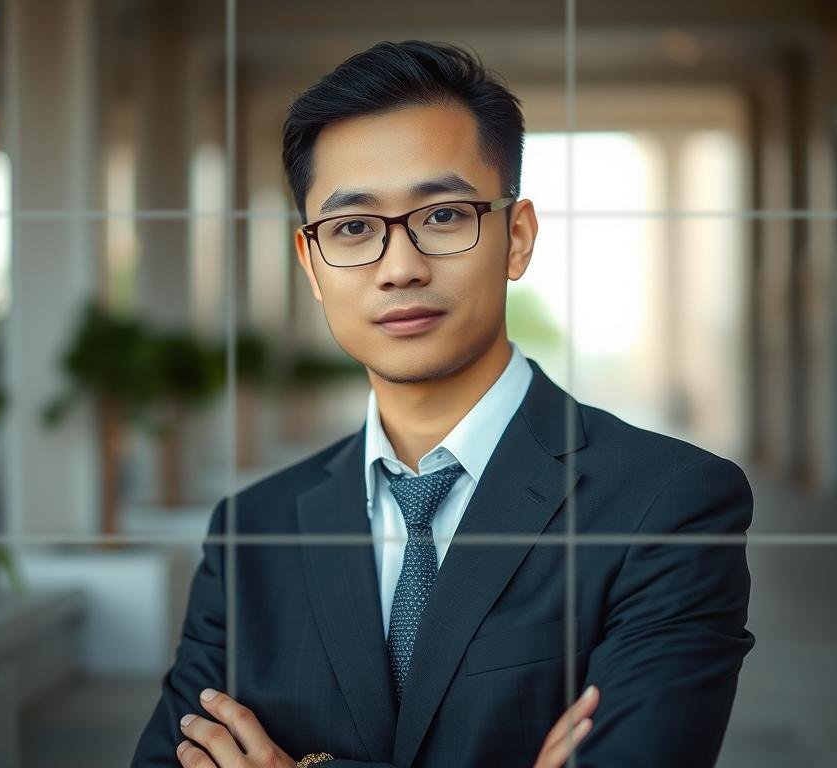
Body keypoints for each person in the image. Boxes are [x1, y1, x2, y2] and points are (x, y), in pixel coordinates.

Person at [131, 40, 755, 768]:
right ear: (311, 264)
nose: (400, 267)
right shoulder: (251, 534)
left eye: (445, 216)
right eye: (353, 228)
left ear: (515, 238)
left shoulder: (667, 505)